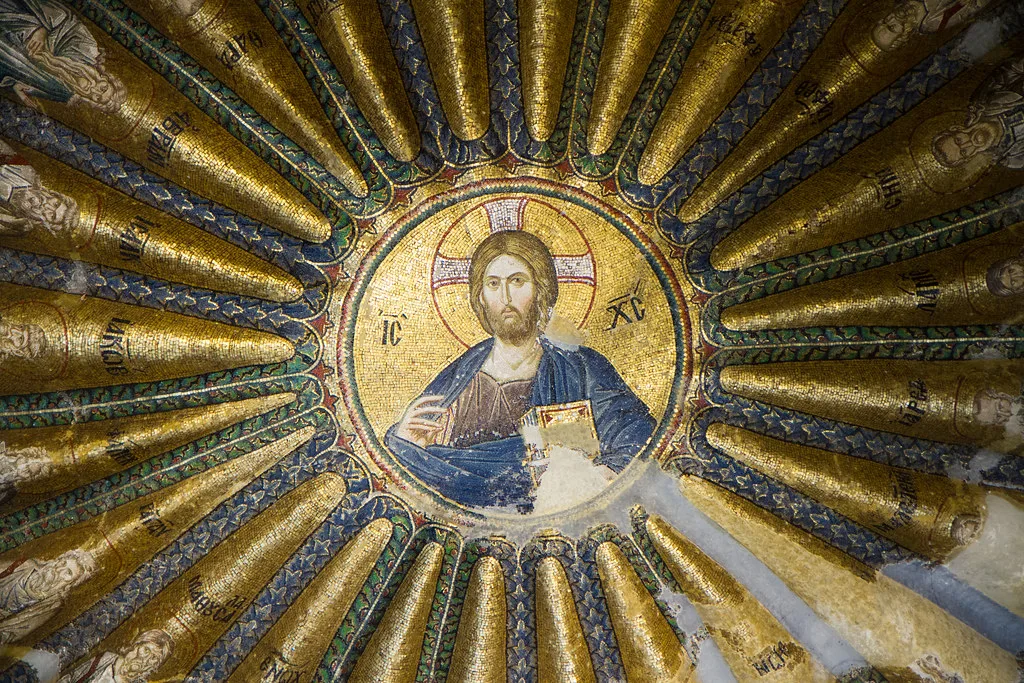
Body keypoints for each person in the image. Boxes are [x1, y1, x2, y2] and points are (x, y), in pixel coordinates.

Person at [386, 230, 655, 510]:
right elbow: (416, 464)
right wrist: (406, 444)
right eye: (492, 284)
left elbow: (637, 432)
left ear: (541, 290)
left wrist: (606, 472)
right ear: (479, 297)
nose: (505, 297)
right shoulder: (458, 378)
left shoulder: (582, 368)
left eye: (517, 281)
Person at [0, 0, 126, 114]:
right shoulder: (87, 47)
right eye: (103, 88)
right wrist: (40, 31)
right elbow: (63, 18)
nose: (94, 90)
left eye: (97, 97)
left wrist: (17, 87)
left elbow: (25, 79)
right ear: (106, 77)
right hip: (19, 17)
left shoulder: (62, 92)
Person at [931, 54, 1024, 170]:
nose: (968, 143)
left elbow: (1010, 69)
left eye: (958, 140)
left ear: (956, 129)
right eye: (964, 152)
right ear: (969, 157)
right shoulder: (1013, 157)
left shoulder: (982, 101)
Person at [0, 549, 96, 643]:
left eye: (68, 573)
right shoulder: (25, 565)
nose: (59, 570)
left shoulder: (53, 603)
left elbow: (14, 632)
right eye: (63, 563)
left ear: (71, 583)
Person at [0, 140, 79, 237]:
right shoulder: (26, 172)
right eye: (55, 203)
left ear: (44, 224)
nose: (46, 206)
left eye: (52, 216)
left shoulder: (13, 222)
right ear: (53, 194)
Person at [871, 0, 993, 52]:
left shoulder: (902, 2)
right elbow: (969, 6)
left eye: (885, 21)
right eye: (892, 27)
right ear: (903, 35)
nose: (892, 19)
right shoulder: (931, 22)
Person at [58, 629, 173, 683]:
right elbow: (72, 677)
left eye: (154, 658)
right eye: (146, 650)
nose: (145, 660)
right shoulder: (107, 659)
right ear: (137, 645)